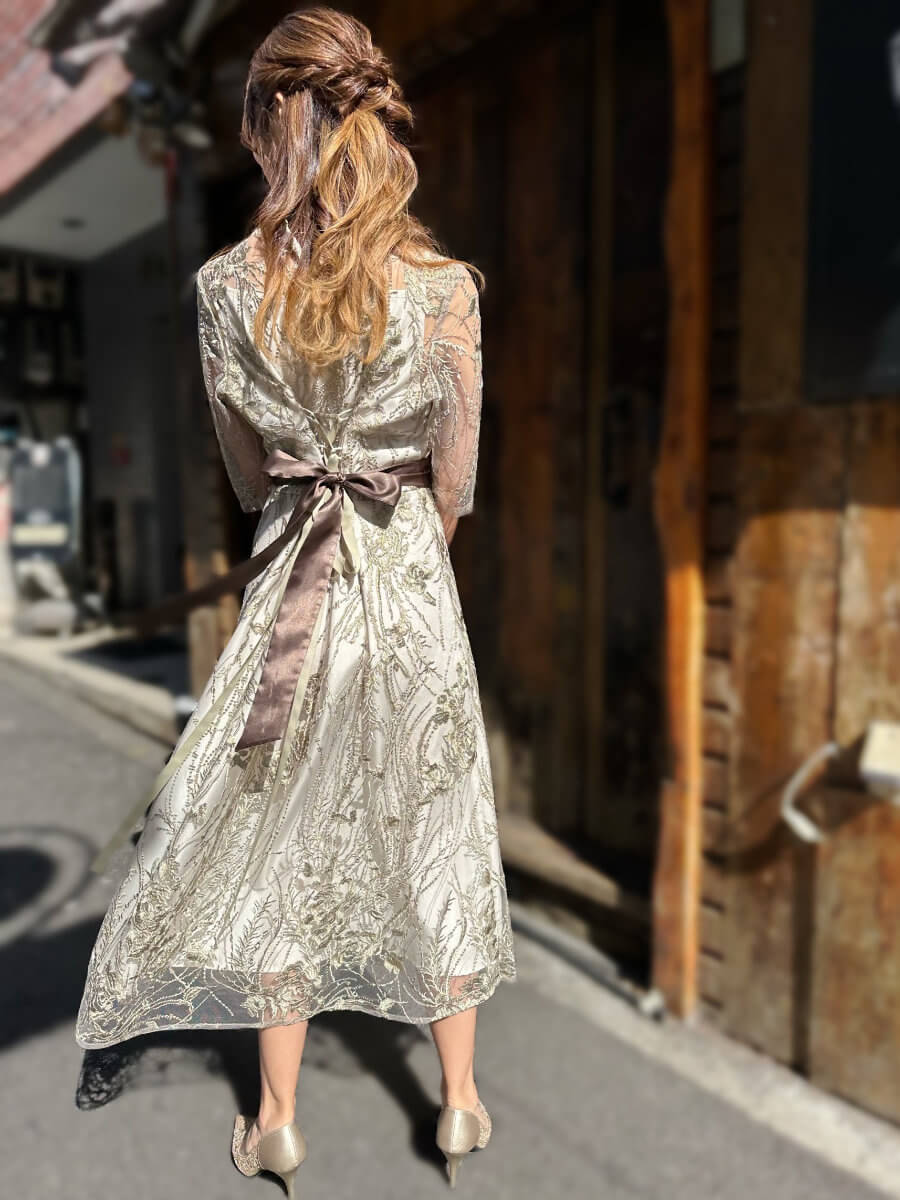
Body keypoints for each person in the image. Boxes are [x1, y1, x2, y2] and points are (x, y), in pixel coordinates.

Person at [74, 6, 517, 1194]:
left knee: (277, 840)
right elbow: (457, 476)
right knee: (434, 830)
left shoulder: (226, 288)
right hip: (408, 586)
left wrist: (303, 480)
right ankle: (460, 1104)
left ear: (274, 118)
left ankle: (276, 1119)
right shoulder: (444, 289)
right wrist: (409, 538)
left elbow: (242, 468)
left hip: (291, 589)